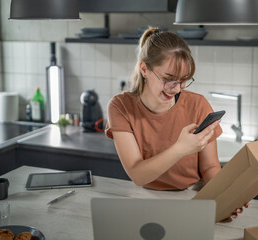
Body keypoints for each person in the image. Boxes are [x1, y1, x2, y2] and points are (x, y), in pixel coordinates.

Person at [105, 27, 247, 219]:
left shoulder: (198, 104)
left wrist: (224, 196)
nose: (176, 88)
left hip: (191, 196)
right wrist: (180, 148)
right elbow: (138, 175)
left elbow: (210, 168)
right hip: (144, 198)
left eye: (183, 80)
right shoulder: (121, 106)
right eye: (169, 79)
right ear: (144, 69)